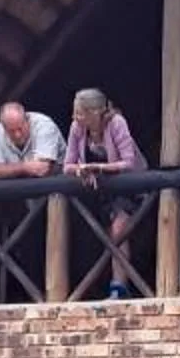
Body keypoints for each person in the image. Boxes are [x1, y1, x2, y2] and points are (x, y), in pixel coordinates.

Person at [62, 87, 147, 298]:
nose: (75, 118)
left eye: (80, 113)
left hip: (128, 186)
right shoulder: (76, 128)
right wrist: (81, 169)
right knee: (94, 232)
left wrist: (98, 168)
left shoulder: (117, 124)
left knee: (119, 229)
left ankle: (118, 286)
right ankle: (86, 288)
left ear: (95, 112)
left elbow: (128, 162)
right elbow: (67, 165)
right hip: (98, 189)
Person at [0, 101, 63, 179]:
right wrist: (25, 167)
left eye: (20, 129)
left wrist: (7, 169)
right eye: (11, 131)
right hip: (22, 185)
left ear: (27, 120)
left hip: (58, 181)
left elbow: (42, 170)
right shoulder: (0, 130)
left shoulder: (44, 125)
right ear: (4, 128)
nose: (17, 135)